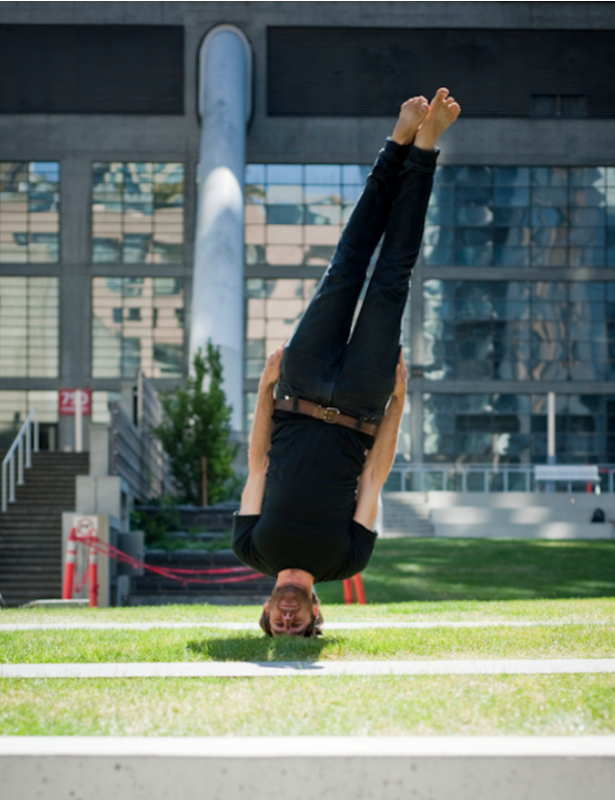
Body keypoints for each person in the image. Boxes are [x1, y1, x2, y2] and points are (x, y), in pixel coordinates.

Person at [232, 89, 462, 636]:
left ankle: (397, 143)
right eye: (300, 624)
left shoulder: (250, 548)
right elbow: (375, 476)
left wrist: (264, 391)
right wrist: (397, 407)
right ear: (318, 612)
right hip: (362, 402)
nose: (288, 617)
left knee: (346, 267)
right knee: (392, 280)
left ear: (264, 612)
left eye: (278, 623)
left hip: (298, 387)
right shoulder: (347, 561)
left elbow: (259, 464)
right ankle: (426, 150)